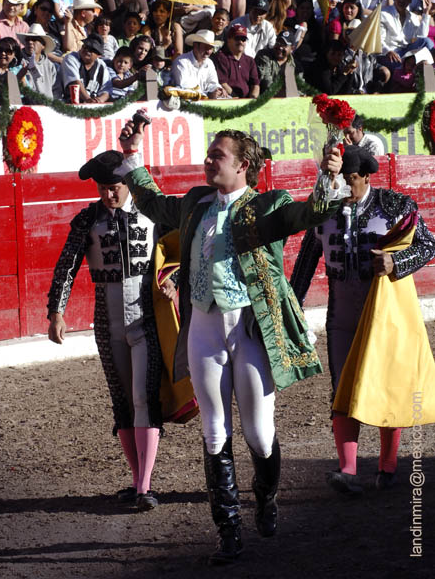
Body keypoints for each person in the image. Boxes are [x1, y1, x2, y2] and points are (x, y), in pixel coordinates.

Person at [119, 120, 344, 564]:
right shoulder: (194, 203)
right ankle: (228, 532)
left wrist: (329, 175)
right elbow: (152, 203)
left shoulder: (268, 205)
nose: (208, 160)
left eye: (217, 155)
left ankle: (265, 496)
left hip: (251, 327)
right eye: (208, 154)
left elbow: (310, 214)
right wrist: (132, 156)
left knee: (259, 434)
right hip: (203, 327)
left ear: (242, 166)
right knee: (214, 431)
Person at [290, 145, 435, 495]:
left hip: (383, 315)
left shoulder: (394, 206)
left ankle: (388, 465)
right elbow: (305, 265)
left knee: (387, 384)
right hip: (341, 314)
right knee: (341, 387)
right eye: (339, 180)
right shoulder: (324, 210)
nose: (344, 187)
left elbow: (428, 245)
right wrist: (292, 307)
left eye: (351, 179)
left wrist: (396, 263)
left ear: (367, 176)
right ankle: (348, 470)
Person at [47, 148, 177, 512]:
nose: (109, 194)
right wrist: (56, 312)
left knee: (143, 398)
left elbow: (181, 251)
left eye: (115, 187)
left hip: (146, 320)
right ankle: (137, 482)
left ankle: (145, 486)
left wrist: (175, 280)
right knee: (122, 401)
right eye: (103, 188)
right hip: (106, 323)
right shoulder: (88, 219)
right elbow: (67, 265)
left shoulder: (153, 212)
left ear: (128, 184)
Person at [379, 0, 432, 70]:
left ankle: (430, 75)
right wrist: (388, 51)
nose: (401, 0)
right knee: (412, 65)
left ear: (410, 0)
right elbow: (379, 40)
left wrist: (426, 12)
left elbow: (422, 38)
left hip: (406, 54)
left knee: (427, 43)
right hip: (388, 55)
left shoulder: (413, 17)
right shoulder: (384, 14)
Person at [171, 29, 227, 98]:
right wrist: (209, 94)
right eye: (205, 47)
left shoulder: (209, 63)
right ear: (195, 46)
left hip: (204, 101)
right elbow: (185, 88)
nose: (208, 52)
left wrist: (218, 89)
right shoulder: (181, 61)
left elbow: (213, 83)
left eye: (211, 48)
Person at [60, 33, 112, 102]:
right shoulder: (71, 58)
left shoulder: (102, 65)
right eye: (85, 46)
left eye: (92, 49)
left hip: (93, 105)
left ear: (99, 55)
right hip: (71, 104)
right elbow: (75, 83)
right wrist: (88, 100)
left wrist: (99, 101)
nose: (87, 50)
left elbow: (107, 91)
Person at [214, 23, 260, 98]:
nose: (240, 42)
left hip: (247, 100)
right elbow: (222, 83)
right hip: (228, 99)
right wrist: (237, 98)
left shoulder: (250, 60)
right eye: (237, 38)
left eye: (243, 39)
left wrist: (253, 99)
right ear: (229, 40)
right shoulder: (221, 57)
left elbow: (255, 84)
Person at [17, 23, 59, 99]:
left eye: (34, 39)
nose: (30, 42)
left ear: (43, 45)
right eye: (27, 40)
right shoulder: (18, 62)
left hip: (48, 104)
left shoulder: (50, 65)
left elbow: (56, 90)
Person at [0, 36, 24, 103]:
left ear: (15, 54)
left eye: (8, 51)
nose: (3, 53)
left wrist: (22, 77)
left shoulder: (19, 69)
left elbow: (26, 93)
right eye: (0, 50)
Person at [255, 29, 294, 94]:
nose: (280, 47)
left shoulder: (294, 65)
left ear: (292, 49)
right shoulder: (263, 55)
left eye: (284, 45)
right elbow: (266, 82)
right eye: (278, 43)